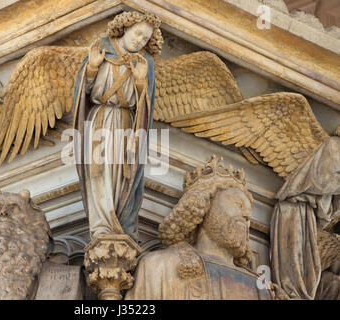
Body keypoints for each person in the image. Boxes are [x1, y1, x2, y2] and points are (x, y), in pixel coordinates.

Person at [125, 156, 279, 300]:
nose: (247, 215)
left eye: (249, 210)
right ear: (204, 205)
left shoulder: (262, 289)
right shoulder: (160, 266)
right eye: (238, 204)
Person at [73, 11, 163, 241]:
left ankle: (117, 220)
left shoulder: (145, 62)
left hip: (126, 124)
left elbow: (146, 106)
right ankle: (101, 225)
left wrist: (141, 81)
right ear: (125, 28)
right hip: (99, 119)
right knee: (98, 171)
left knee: (120, 173)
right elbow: (82, 93)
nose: (139, 41)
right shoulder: (102, 48)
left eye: (145, 39)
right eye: (138, 34)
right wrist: (92, 68)